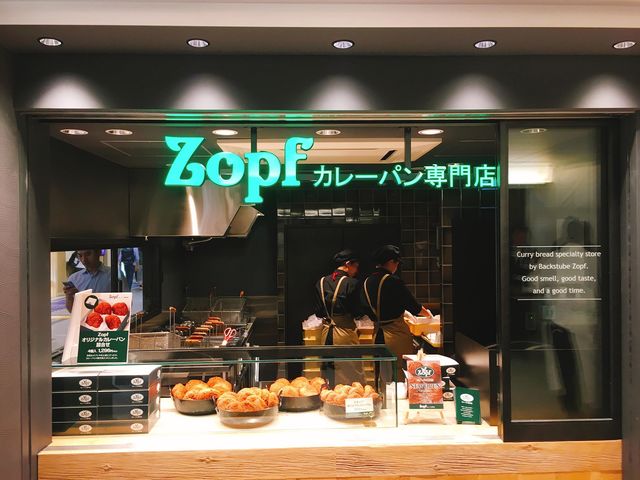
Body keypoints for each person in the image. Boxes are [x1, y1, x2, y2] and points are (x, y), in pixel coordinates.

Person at [361, 245, 432, 379]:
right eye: (397, 263)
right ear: (391, 262)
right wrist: (428, 315)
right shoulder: (393, 281)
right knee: (399, 371)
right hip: (396, 335)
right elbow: (413, 306)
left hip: (377, 335)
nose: (397, 266)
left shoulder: (366, 281)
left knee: (381, 373)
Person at [314, 249, 362, 383]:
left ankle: (328, 395)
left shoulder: (321, 282)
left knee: (327, 372)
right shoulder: (352, 283)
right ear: (348, 264)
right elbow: (358, 312)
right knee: (350, 374)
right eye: (356, 266)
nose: (356, 270)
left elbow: (318, 312)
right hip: (345, 334)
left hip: (325, 335)